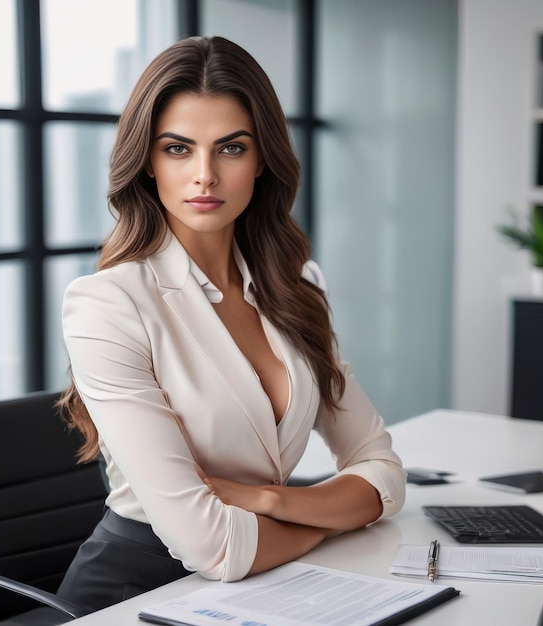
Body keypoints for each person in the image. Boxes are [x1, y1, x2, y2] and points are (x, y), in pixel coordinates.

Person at [57, 35, 406, 614]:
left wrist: (270, 500)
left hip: (267, 583)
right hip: (136, 591)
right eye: (177, 149)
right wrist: (332, 521)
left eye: (231, 148)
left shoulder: (298, 287)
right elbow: (212, 546)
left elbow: (382, 471)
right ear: (146, 160)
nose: (204, 176)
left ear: (263, 157)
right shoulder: (108, 303)